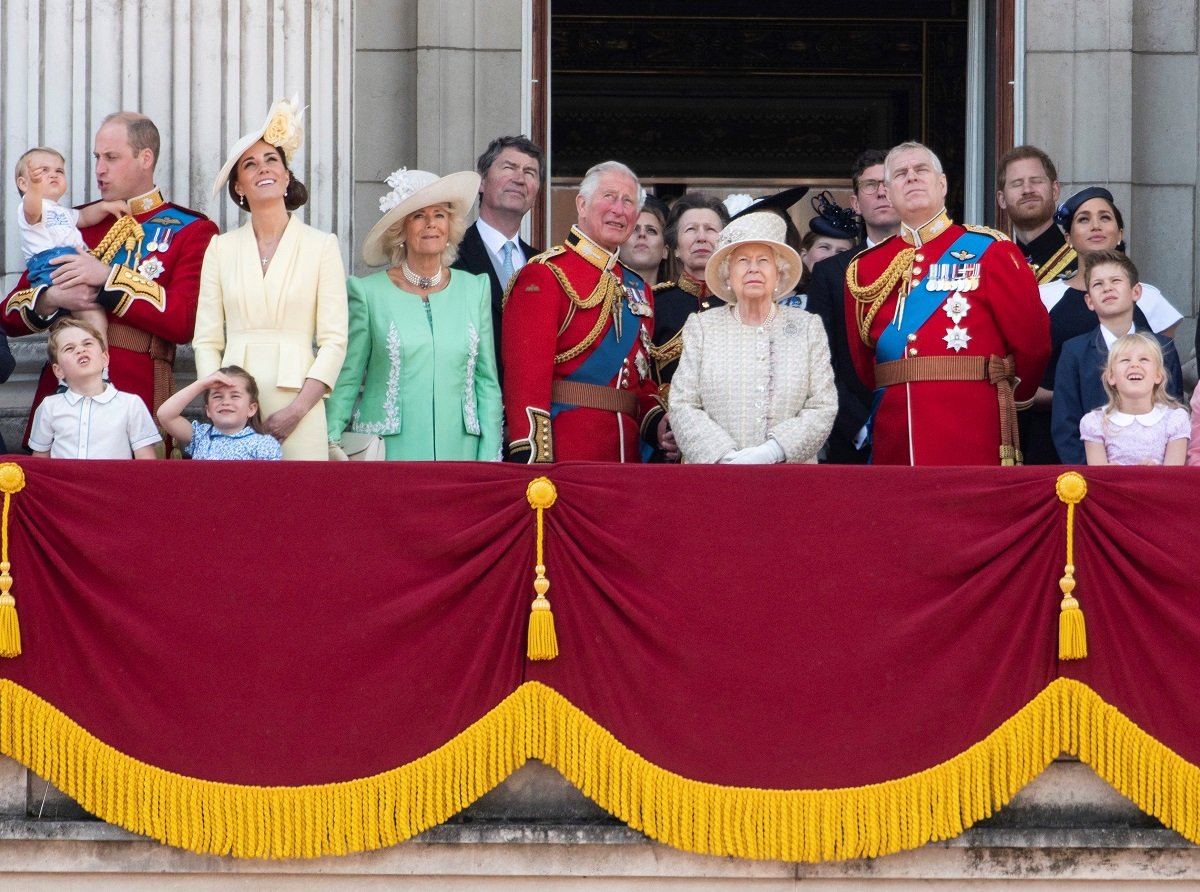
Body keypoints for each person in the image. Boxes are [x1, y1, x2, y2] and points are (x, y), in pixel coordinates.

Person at [2, 112, 219, 448]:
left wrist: (108, 280)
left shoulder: (190, 229)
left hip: (138, 391)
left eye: (111, 158)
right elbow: (9, 316)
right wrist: (53, 299)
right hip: (63, 395)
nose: (99, 169)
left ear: (145, 158)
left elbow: (183, 322)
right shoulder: (72, 223)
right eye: (96, 158)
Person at [844, 141, 1049, 465]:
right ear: (889, 191)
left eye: (921, 170)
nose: (911, 177)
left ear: (942, 185)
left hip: (972, 430)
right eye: (900, 174)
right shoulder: (865, 268)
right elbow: (865, 365)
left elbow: (1032, 345)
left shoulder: (991, 251)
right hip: (894, 437)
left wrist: (1008, 399)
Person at [194, 96, 348, 460]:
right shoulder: (220, 248)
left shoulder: (321, 245)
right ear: (239, 187)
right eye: (250, 164)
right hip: (234, 406)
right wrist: (221, 402)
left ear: (285, 174)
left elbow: (334, 341)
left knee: (301, 508)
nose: (263, 169)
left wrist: (297, 411)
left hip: (301, 402)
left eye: (271, 160)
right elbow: (206, 339)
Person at [326, 168, 501, 461]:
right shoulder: (368, 293)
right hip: (390, 453)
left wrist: (488, 456)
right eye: (418, 216)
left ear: (450, 226)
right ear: (401, 231)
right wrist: (330, 441)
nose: (430, 224)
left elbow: (486, 382)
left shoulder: (475, 289)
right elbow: (349, 377)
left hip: (461, 452)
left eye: (439, 215)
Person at [502, 160, 662, 463]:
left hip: (628, 457)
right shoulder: (546, 275)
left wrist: (658, 422)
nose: (618, 209)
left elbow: (639, 380)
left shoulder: (639, 288)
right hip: (567, 453)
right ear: (582, 204)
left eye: (628, 202)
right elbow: (526, 376)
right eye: (609, 197)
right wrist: (532, 450)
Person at [669, 212, 836, 464]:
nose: (753, 268)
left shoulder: (807, 327)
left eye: (764, 260)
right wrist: (724, 456)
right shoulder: (703, 327)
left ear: (778, 273)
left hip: (790, 478)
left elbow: (823, 405)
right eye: (743, 260)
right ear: (728, 274)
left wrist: (774, 451)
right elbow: (683, 403)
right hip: (717, 476)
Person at [1031, 186, 1183, 462]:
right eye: (1084, 219)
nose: (1096, 226)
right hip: (1079, 467)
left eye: (1105, 217)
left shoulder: (1153, 309)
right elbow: (1064, 420)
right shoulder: (1066, 335)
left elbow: (1172, 406)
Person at [806, 149, 900, 464]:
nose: (882, 192)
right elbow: (820, 362)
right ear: (856, 204)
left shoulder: (936, 264)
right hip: (853, 441)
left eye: (889, 182)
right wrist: (861, 427)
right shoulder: (830, 272)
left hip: (922, 429)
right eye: (871, 185)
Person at [1053, 251, 1182, 465]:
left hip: (1156, 472)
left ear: (1136, 291)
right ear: (1089, 301)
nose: (1107, 288)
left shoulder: (1163, 347)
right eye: (1097, 284)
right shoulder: (1074, 351)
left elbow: (1173, 407)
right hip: (1094, 478)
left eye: (1116, 281)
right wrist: (1092, 474)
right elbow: (1065, 425)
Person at [14, 146, 131, 338]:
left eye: (59, 171)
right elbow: (32, 211)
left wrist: (105, 206)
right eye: (43, 171)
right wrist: (34, 188)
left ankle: (100, 359)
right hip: (52, 265)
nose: (53, 175)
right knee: (89, 310)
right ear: (23, 183)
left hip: (70, 261)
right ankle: (101, 363)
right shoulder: (30, 206)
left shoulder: (61, 210)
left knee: (88, 316)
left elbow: (84, 217)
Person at [451, 135, 544, 372]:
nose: (520, 179)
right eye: (509, 167)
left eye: (530, 172)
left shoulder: (545, 265)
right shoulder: (449, 254)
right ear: (482, 182)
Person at [29, 318, 160, 459]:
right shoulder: (49, 406)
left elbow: (146, 464)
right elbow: (40, 463)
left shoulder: (131, 404)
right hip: (64, 481)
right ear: (58, 370)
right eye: (69, 348)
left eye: (87, 343)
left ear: (105, 358)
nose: (80, 349)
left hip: (113, 481)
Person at [648, 193, 730, 407]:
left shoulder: (742, 303)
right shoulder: (654, 304)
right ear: (675, 248)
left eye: (711, 230)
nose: (701, 238)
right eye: (691, 229)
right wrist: (658, 423)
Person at [1080, 333, 1188, 466]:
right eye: (1125, 360)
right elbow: (1098, 479)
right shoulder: (1095, 422)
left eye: (1143, 359)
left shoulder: (1175, 420)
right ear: (1111, 377)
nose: (1134, 365)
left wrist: (1154, 475)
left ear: (1158, 376)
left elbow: (1174, 478)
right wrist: (1111, 474)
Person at [157, 366, 282, 460]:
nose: (226, 402)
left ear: (251, 409)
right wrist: (201, 384)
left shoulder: (264, 444)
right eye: (217, 396)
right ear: (208, 410)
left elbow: (270, 486)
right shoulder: (200, 436)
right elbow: (165, 415)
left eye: (235, 396)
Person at [996, 145, 1074, 283]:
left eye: (1036, 181)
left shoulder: (1085, 265)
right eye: (1017, 184)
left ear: (1055, 190)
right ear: (1002, 200)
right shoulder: (996, 271)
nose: (1027, 189)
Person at [783, 191, 858, 311]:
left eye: (841, 252)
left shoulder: (857, 302)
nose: (832, 256)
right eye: (824, 247)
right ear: (803, 254)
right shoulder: (783, 299)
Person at [619, 195, 670, 287]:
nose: (642, 234)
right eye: (633, 229)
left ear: (665, 251)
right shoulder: (599, 299)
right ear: (617, 245)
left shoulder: (682, 300)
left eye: (651, 231)